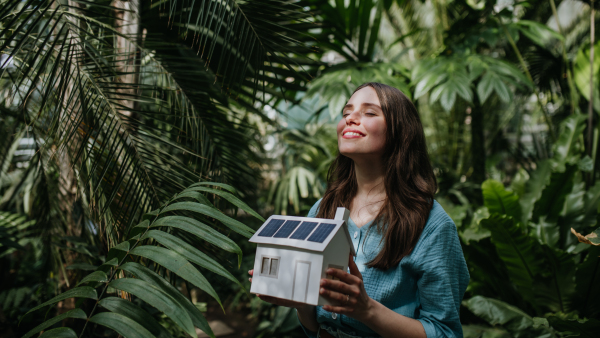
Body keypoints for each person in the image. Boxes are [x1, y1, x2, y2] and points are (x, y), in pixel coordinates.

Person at [249, 82, 469, 338]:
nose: (351, 119)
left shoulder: (433, 226)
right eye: (346, 113)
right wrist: (296, 298)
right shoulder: (323, 208)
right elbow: (314, 327)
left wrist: (367, 310)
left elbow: (445, 333)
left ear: (401, 132)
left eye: (370, 112)